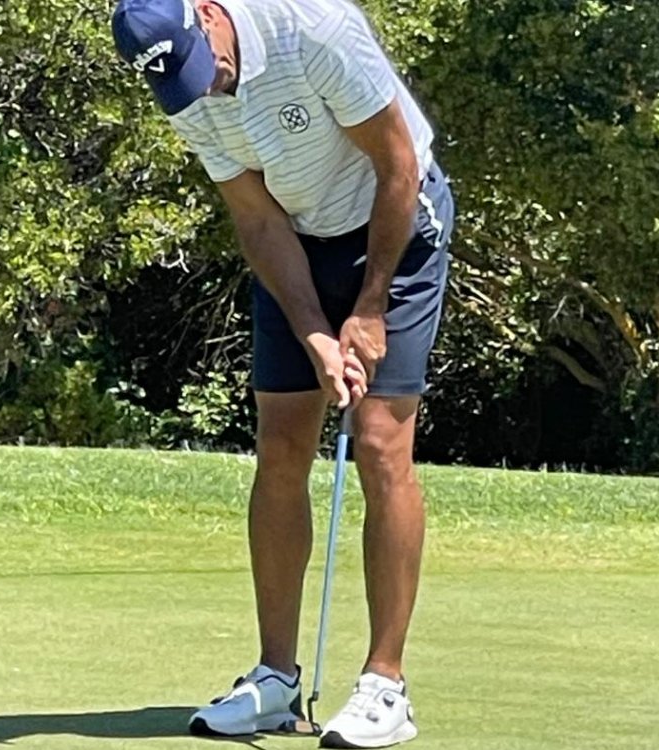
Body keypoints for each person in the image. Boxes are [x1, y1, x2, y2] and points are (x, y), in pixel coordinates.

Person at [112, 0, 454, 745]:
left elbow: (398, 163)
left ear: (208, 13)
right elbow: (258, 219)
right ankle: (275, 681)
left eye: (201, 65)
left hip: (396, 222)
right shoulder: (183, 85)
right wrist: (313, 333)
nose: (206, 86)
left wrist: (368, 308)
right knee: (281, 444)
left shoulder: (313, 29)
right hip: (297, 238)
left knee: (379, 442)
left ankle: (386, 686)